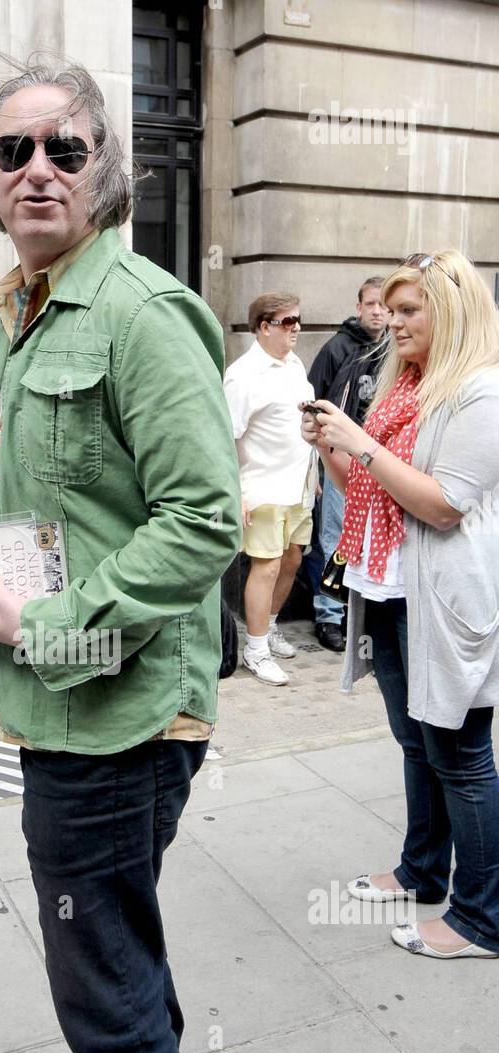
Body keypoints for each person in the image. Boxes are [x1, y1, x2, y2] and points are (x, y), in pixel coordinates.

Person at [0, 61, 240, 1053]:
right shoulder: (20, 303)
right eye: (13, 150)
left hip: (117, 711)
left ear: (105, 170)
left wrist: (57, 624)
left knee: (96, 959)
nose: (37, 171)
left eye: (65, 150)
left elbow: (204, 517)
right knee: (115, 927)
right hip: (59, 700)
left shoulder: (137, 307)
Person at [302, 249, 499, 960]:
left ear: (450, 311)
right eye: (393, 307)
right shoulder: (404, 385)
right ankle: (423, 873)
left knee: (461, 753)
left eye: (409, 309)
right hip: (386, 586)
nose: (391, 320)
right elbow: (369, 490)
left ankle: (483, 917)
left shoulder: (480, 391)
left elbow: (444, 506)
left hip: (443, 600)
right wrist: (334, 448)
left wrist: (361, 444)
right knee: (417, 744)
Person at [223, 293, 316, 685]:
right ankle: (256, 649)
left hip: (298, 486)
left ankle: (270, 626)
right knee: (268, 564)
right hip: (261, 487)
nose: (296, 328)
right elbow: (224, 437)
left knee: (292, 559)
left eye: (298, 320)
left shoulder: (294, 364)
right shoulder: (243, 375)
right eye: (287, 321)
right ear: (263, 326)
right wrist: (236, 492)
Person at [308, 276, 390, 651]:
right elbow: (312, 403)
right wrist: (317, 463)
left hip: (381, 460)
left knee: (370, 536)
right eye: (370, 304)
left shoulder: (395, 348)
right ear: (359, 307)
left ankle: (361, 612)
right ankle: (329, 615)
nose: (377, 311)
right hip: (341, 458)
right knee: (336, 535)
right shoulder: (336, 348)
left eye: (383, 306)